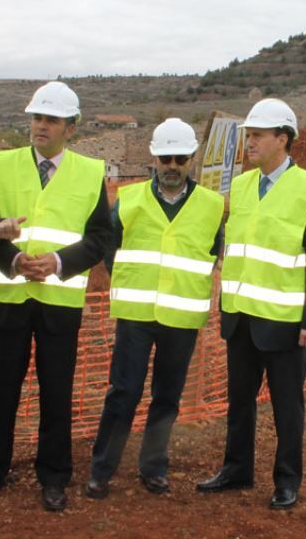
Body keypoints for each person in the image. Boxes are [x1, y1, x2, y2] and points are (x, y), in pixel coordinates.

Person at [197, 98, 306, 510]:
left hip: (285, 322)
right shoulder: (239, 186)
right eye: (248, 135)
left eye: (256, 135)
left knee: (286, 407)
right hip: (240, 318)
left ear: (283, 138)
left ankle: (287, 480)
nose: (249, 142)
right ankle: (237, 470)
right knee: (239, 402)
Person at [0, 82, 113, 512]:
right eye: (37, 117)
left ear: (70, 128)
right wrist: (15, 260)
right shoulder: (1, 166)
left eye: (51, 120)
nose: (41, 126)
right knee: (0, 388)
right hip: (8, 296)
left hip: (59, 300)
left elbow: (99, 238)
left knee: (57, 390)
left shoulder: (90, 173)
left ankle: (54, 476)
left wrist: (58, 262)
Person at [85, 118, 224, 499]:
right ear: (154, 158)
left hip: (180, 318)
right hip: (136, 315)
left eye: (180, 158)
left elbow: (215, 250)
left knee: (167, 397)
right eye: (166, 158)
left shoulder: (212, 206)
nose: (173, 165)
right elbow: (109, 245)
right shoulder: (129, 199)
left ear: (192, 160)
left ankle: (153, 467)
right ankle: (102, 470)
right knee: (123, 392)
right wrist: (125, 277)